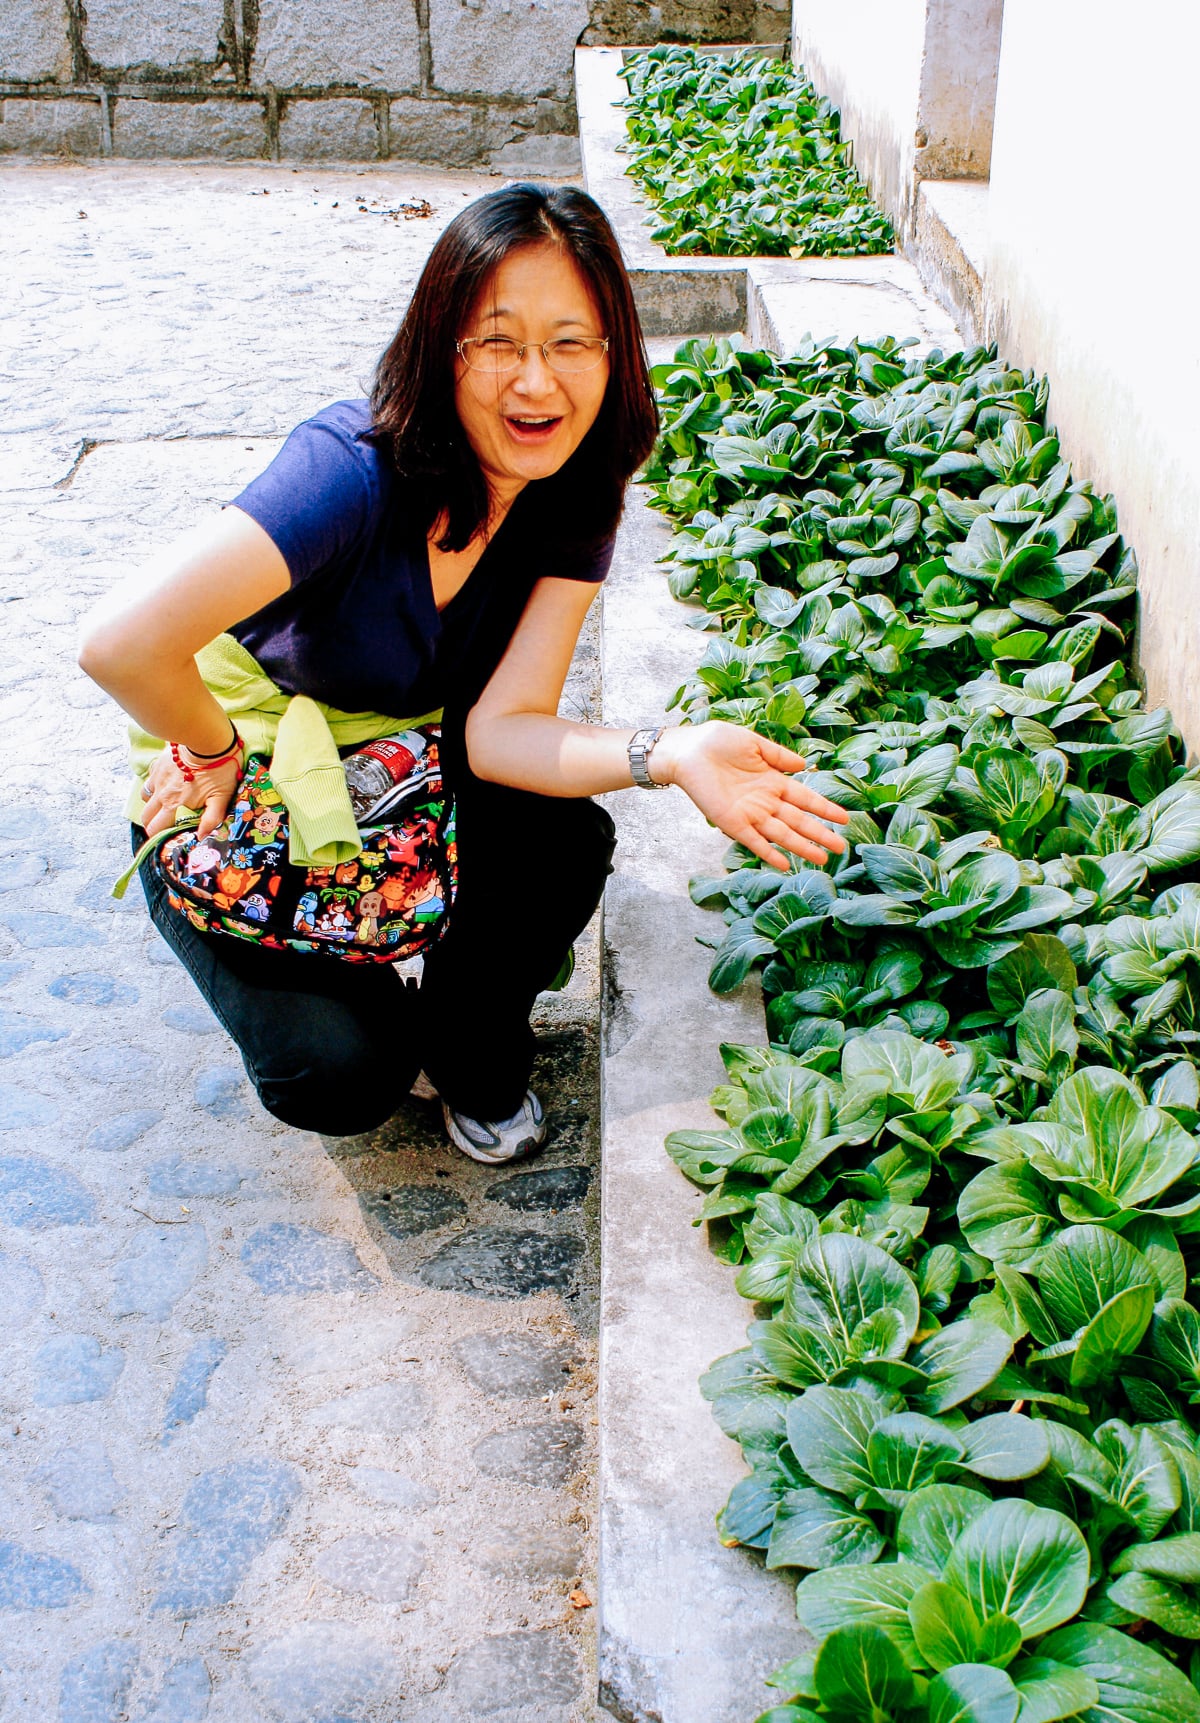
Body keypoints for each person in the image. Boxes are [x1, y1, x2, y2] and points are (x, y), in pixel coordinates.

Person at [78, 182, 849, 1164]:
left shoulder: (575, 494)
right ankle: (319, 979)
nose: (538, 383)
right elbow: (121, 644)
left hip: (410, 764)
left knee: (561, 845)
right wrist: (209, 742)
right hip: (246, 783)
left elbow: (503, 731)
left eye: (572, 342)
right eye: (499, 342)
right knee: (339, 1072)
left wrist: (673, 750)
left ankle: (461, 1046)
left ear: (614, 354)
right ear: (442, 346)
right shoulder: (349, 471)